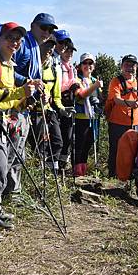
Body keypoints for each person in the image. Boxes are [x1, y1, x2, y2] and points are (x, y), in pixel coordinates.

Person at [0, 22, 37, 243]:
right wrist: (21, 91)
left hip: (5, 123)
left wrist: (27, 100)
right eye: (10, 38)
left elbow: (11, 99)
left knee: (0, 170)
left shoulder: (10, 66)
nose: (15, 43)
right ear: (0, 39)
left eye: (18, 40)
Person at [2, 13, 56, 196]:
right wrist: (28, 82)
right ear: (33, 26)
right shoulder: (25, 46)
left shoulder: (34, 47)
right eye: (44, 28)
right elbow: (8, 73)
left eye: (50, 30)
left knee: (18, 153)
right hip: (14, 109)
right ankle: (5, 195)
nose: (47, 32)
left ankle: (12, 193)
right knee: (12, 154)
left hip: (24, 109)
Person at [29, 38, 68, 173]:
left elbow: (56, 94)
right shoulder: (32, 65)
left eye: (52, 46)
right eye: (47, 46)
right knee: (39, 145)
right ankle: (39, 171)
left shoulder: (54, 68)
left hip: (48, 110)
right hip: (33, 110)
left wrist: (61, 108)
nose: (49, 49)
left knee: (58, 142)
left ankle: (52, 172)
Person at [106, 54, 138, 178]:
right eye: (127, 64)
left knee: (134, 150)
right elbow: (116, 99)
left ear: (136, 67)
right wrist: (129, 103)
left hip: (136, 123)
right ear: (122, 66)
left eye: (132, 65)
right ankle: (113, 175)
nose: (130, 67)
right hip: (117, 122)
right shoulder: (116, 81)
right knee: (116, 149)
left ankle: (129, 175)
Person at [72, 53, 103, 177]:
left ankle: (83, 168)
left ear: (94, 66)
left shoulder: (95, 80)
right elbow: (79, 96)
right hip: (80, 116)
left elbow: (100, 98)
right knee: (79, 143)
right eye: (85, 63)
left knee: (89, 142)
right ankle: (76, 169)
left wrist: (99, 100)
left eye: (90, 63)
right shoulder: (77, 79)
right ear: (80, 65)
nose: (88, 66)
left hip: (93, 116)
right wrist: (94, 87)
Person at [55, 31, 77, 171]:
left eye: (71, 51)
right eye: (67, 50)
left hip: (69, 103)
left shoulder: (71, 68)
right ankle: (56, 163)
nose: (69, 54)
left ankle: (63, 162)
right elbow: (59, 85)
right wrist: (71, 86)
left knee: (68, 136)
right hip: (59, 102)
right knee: (59, 136)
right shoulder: (58, 65)